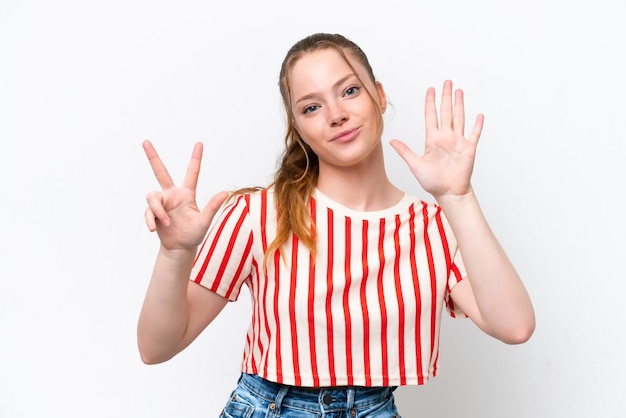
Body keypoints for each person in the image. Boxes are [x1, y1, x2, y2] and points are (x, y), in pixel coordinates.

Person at [137, 32, 535, 417]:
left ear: (379, 95)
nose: (336, 114)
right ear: (299, 129)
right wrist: (175, 254)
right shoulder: (257, 215)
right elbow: (156, 348)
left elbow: (515, 326)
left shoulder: (432, 227)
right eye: (312, 107)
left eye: (349, 91)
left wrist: (457, 198)